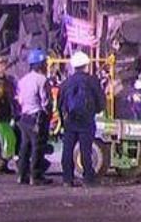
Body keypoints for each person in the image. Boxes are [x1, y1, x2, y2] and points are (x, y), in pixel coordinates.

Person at [58, 50, 107, 187]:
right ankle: (88, 179)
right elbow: (101, 102)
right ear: (86, 65)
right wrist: (93, 111)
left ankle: (67, 179)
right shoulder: (92, 81)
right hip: (86, 120)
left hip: (70, 121)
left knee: (67, 150)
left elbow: (60, 103)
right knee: (86, 150)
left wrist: (63, 120)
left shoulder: (66, 82)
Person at [15, 50, 52, 185]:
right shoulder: (42, 80)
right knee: (38, 147)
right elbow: (45, 101)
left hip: (24, 117)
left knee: (25, 147)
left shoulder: (22, 80)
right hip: (37, 117)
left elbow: (19, 100)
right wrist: (48, 113)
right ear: (40, 64)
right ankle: (35, 176)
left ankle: (21, 174)